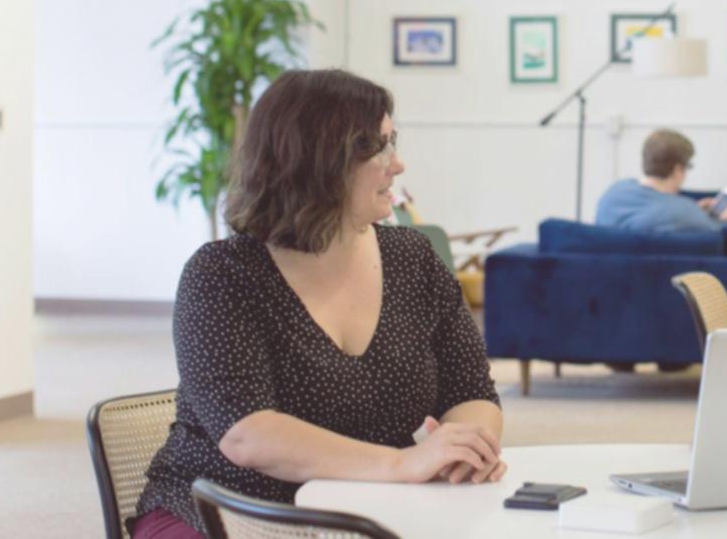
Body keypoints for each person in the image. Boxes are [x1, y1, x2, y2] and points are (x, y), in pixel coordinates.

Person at [131, 70, 505, 539]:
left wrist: (465, 448)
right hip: (226, 511)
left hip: (369, 508)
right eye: (378, 147)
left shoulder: (413, 258)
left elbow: (472, 391)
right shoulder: (223, 274)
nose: (398, 164)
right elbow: (247, 434)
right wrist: (403, 464)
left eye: (394, 142)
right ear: (319, 162)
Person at [595, 128, 727, 233]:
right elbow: (716, 234)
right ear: (677, 170)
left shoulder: (613, 192)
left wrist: (695, 210)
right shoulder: (684, 213)